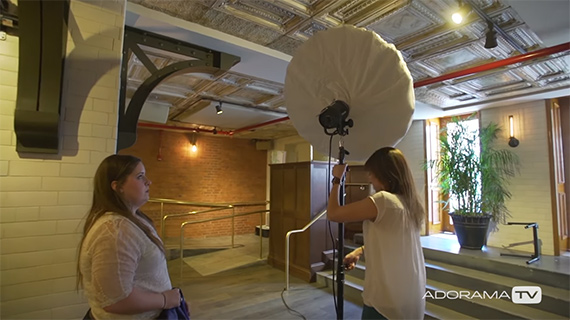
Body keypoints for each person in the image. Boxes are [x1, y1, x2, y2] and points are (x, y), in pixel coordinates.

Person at [77, 154, 182, 319]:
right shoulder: (114, 232)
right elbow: (116, 300)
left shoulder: (132, 220)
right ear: (117, 186)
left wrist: (173, 300)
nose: (148, 181)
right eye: (140, 176)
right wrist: (165, 300)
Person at [327, 147, 426, 320]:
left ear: (384, 174)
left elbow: (334, 214)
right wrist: (360, 251)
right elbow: (395, 241)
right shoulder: (410, 203)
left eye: (372, 173)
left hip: (385, 299)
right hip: (410, 294)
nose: (369, 178)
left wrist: (337, 179)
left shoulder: (383, 200)